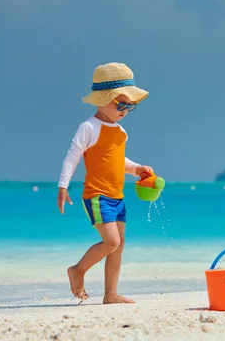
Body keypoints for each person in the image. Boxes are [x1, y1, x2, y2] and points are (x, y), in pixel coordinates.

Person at [57, 62, 154, 304]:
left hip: (117, 195)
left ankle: (110, 295)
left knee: (118, 246)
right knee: (111, 242)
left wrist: (137, 169)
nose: (124, 110)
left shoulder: (120, 132)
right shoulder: (89, 127)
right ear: (102, 99)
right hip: (97, 195)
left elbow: (118, 160)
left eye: (129, 106)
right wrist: (63, 186)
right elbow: (73, 155)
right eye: (120, 104)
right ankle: (77, 270)